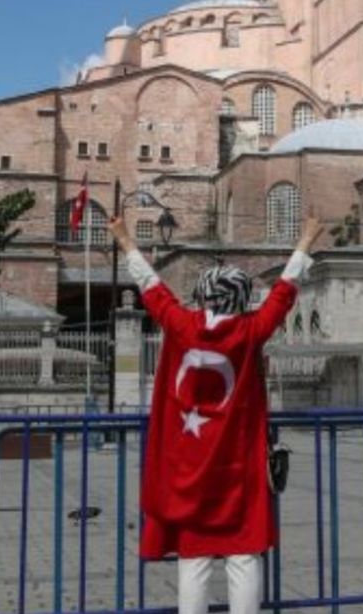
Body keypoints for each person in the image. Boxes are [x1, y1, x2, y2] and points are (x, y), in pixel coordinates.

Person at [107, 212, 322, 614]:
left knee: (195, 554)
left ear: (203, 296)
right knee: (244, 553)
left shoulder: (180, 324)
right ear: (241, 299)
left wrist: (125, 241)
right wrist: (306, 239)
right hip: (238, 464)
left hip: (187, 462)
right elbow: (284, 290)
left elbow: (152, 288)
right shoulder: (251, 331)